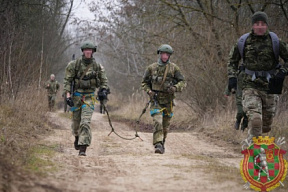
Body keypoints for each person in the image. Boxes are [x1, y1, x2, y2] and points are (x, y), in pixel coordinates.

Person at [227, 11, 288, 141]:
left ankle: (255, 144)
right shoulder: (244, 41)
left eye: (262, 24)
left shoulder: (275, 41)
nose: (260, 26)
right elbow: (232, 61)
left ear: (266, 25)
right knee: (255, 120)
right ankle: (253, 150)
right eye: (257, 24)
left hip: (270, 87)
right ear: (252, 26)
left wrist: (283, 72)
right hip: (250, 86)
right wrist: (232, 77)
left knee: (265, 127)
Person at [63, 41, 108, 156]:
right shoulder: (74, 65)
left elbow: (104, 81)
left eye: (90, 50)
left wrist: (103, 90)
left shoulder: (97, 66)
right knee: (75, 124)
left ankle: (83, 147)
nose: (88, 52)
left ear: (92, 52)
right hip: (76, 97)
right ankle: (77, 137)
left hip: (89, 97)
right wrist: (68, 96)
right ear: (83, 51)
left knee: (86, 122)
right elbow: (67, 81)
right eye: (86, 50)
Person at [141, 44, 186, 154]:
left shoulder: (174, 68)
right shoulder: (151, 68)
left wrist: (175, 88)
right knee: (158, 121)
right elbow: (144, 83)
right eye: (163, 54)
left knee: (165, 125)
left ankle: (162, 142)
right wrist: (149, 91)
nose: (165, 56)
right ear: (160, 54)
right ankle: (158, 144)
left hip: (168, 101)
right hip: (156, 100)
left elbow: (183, 82)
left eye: (167, 54)